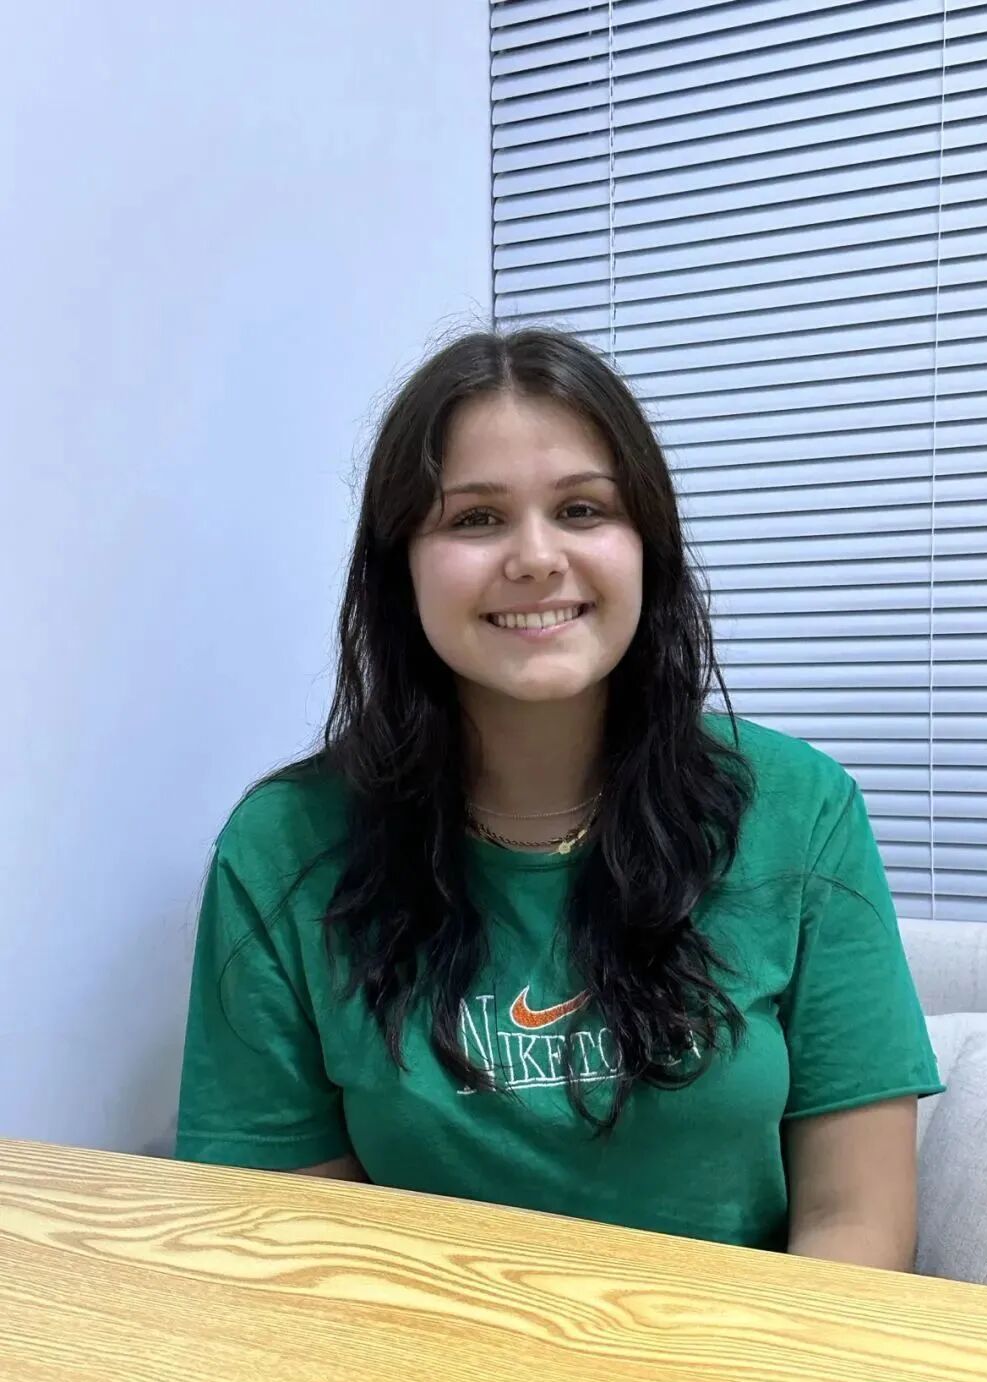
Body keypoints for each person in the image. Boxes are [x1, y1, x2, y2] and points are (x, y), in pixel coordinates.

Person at [174, 327, 944, 1270]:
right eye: (475, 519)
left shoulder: (802, 809)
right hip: (411, 1353)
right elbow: (284, 1233)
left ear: (647, 546)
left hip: (743, 1355)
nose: (536, 557)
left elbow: (856, 1223)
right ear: (400, 565)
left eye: (583, 509)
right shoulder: (283, 846)